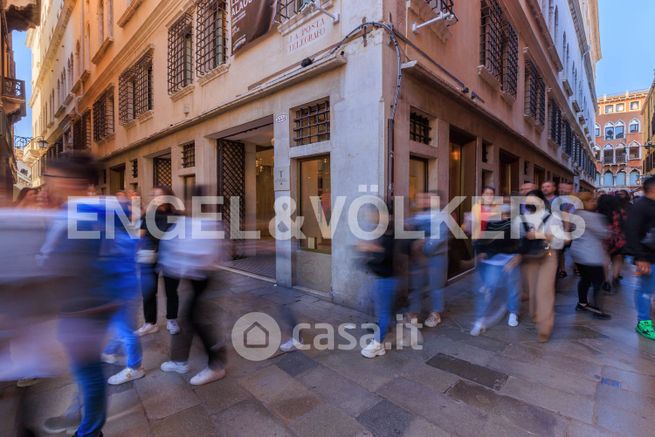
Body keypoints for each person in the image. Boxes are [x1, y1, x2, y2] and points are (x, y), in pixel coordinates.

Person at [38, 153, 119, 437]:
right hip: (88, 305)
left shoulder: (84, 216)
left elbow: (67, 263)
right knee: (89, 372)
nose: (48, 182)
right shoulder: (81, 212)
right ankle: (86, 423)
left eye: (53, 176)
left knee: (90, 374)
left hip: (84, 308)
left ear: (72, 181)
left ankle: (90, 430)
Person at [158, 186, 226, 385]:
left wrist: (178, 261)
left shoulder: (208, 225)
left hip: (203, 279)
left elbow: (204, 255)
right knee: (188, 318)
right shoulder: (190, 222)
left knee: (195, 319)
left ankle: (216, 364)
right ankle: (179, 360)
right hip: (195, 279)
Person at [517, 190, 569, 342]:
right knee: (532, 291)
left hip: (549, 256)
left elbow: (561, 241)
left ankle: (544, 328)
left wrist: (540, 235)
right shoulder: (522, 218)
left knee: (544, 291)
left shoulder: (553, 217)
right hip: (529, 258)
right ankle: (535, 315)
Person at [135, 186, 180, 337]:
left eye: (158, 195)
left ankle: (172, 319)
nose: (154, 198)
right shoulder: (148, 214)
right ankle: (150, 323)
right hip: (150, 256)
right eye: (153, 195)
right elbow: (140, 235)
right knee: (148, 291)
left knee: (171, 291)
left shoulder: (176, 214)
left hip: (171, 257)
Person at [471, 202, 522, 335]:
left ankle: (513, 313)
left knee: (512, 289)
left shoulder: (515, 225)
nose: (504, 216)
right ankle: (481, 319)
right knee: (488, 288)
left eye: (506, 214)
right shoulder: (491, 224)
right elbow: (485, 240)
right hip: (493, 262)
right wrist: (481, 250)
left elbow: (517, 244)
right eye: (502, 213)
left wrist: (518, 255)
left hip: (510, 261)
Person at [360, 205, 399, 358]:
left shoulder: (389, 234)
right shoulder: (383, 233)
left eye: (373, 214)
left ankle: (377, 343)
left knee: (385, 314)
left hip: (386, 279)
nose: (370, 217)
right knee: (383, 312)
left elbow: (385, 257)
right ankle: (380, 342)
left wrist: (370, 249)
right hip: (383, 278)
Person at [407, 192, 449, 328]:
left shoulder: (442, 216)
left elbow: (440, 237)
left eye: (430, 198)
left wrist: (423, 244)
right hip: (419, 257)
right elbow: (408, 229)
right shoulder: (418, 216)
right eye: (425, 198)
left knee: (436, 286)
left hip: (436, 257)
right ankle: (414, 312)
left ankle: (436, 313)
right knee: (416, 286)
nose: (427, 201)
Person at [570, 193, 611, 320]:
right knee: (598, 281)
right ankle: (597, 309)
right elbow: (604, 234)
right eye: (592, 200)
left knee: (585, 279)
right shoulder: (592, 216)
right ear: (585, 202)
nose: (594, 202)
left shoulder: (575, 215)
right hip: (591, 254)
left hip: (578, 252)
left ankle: (582, 303)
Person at [624, 176, 655, 340]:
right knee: (645, 290)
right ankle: (643, 323)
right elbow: (631, 232)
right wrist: (640, 258)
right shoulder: (640, 206)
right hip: (647, 257)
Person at [597, 194, 627, 291]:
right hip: (619, 240)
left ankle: (606, 281)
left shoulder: (599, 212)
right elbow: (625, 223)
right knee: (617, 258)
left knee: (605, 259)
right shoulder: (620, 212)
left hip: (604, 240)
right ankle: (615, 277)